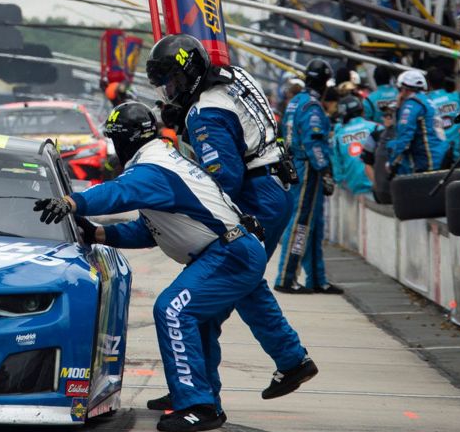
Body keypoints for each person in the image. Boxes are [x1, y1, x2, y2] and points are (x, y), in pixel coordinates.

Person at [35, 102, 316, 432]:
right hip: (233, 248)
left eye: (115, 140)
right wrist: (97, 233)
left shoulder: (153, 167)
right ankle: (256, 373)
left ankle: (198, 404)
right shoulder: (161, 160)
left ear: (126, 140)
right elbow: (151, 229)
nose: (113, 148)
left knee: (172, 310)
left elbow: (120, 193)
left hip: (228, 251)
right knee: (205, 319)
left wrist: (73, 202)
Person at [142, 34, 308, 410]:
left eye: (173, 82)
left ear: (190, 74)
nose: (170, 92)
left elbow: (224, 178)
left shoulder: (206, 114)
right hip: (274, 185)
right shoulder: (233, 77)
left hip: (253, 195)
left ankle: (198, 387)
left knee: (210, 290)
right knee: (242, 282)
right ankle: (286, 360)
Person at [276, 59, 339, 294]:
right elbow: (314, 143)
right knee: (300, 225)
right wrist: (325, 170)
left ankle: (317, 279)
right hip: (308, 169)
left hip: (296, 165)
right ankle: (285, 277)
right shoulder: (312, 107)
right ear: (323, 82)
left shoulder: (295, 102)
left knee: (313, 225)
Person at [388, 70, 447, 177]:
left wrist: (392, 163)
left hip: (427, 161)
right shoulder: (427, 100)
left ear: (404, 89)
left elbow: (404, 136)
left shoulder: (412, 104)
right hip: (441, 156)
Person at [329, 94, 380, 196]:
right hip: (379, 186)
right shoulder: (376, 127)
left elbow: (337, 171)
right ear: (361, 110)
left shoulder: (338, 137)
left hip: (354, 189)